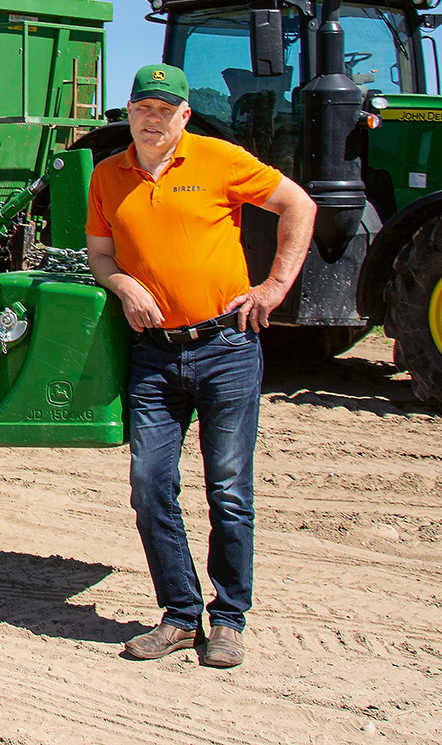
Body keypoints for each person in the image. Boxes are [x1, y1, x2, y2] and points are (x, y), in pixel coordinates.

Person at [85, 63, 316, 669]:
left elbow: (299, 205)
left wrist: (273, 288)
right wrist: (125, 288)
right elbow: (101, 254)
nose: (153, 118)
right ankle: (181, 615)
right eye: (144, 107)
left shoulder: (218, 159)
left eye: (166, 109)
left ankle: (229, 620)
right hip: (155, 355)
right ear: (129, 111)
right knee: (149, 486)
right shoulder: (108, 175)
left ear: (184, 115)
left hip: (227, 346)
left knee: (229, 490)